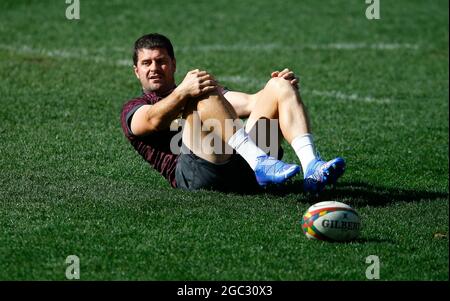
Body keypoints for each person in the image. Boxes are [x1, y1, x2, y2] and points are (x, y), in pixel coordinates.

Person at [120, 33, 345, 193]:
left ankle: (311, 167)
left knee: (278, 86)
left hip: (240, 165)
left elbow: (252, 102)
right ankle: (260, 161)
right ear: (136, 71)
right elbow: (152, 120)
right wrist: (184, 92)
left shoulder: (198, 89)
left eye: (161, 62)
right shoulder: (135, 108)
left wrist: (279, 87)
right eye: (146, 63)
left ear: (173, 64)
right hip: (199, 175)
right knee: (199, 92)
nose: (154, 68)